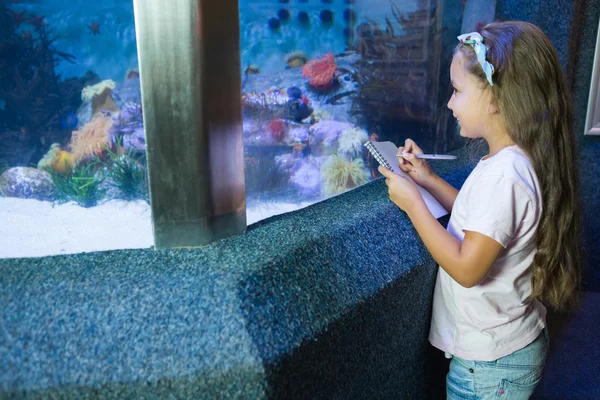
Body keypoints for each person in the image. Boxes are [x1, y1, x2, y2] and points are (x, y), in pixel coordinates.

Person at [377, 21, 582, 399]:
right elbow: (483, 225)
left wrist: (412, 205)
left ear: (495, 99)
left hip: (490, 369)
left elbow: (468, 268)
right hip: (503, 351)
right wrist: (428, 180)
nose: (450, 103)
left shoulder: (505, 175)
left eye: (456, 91)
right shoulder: (512, 160)